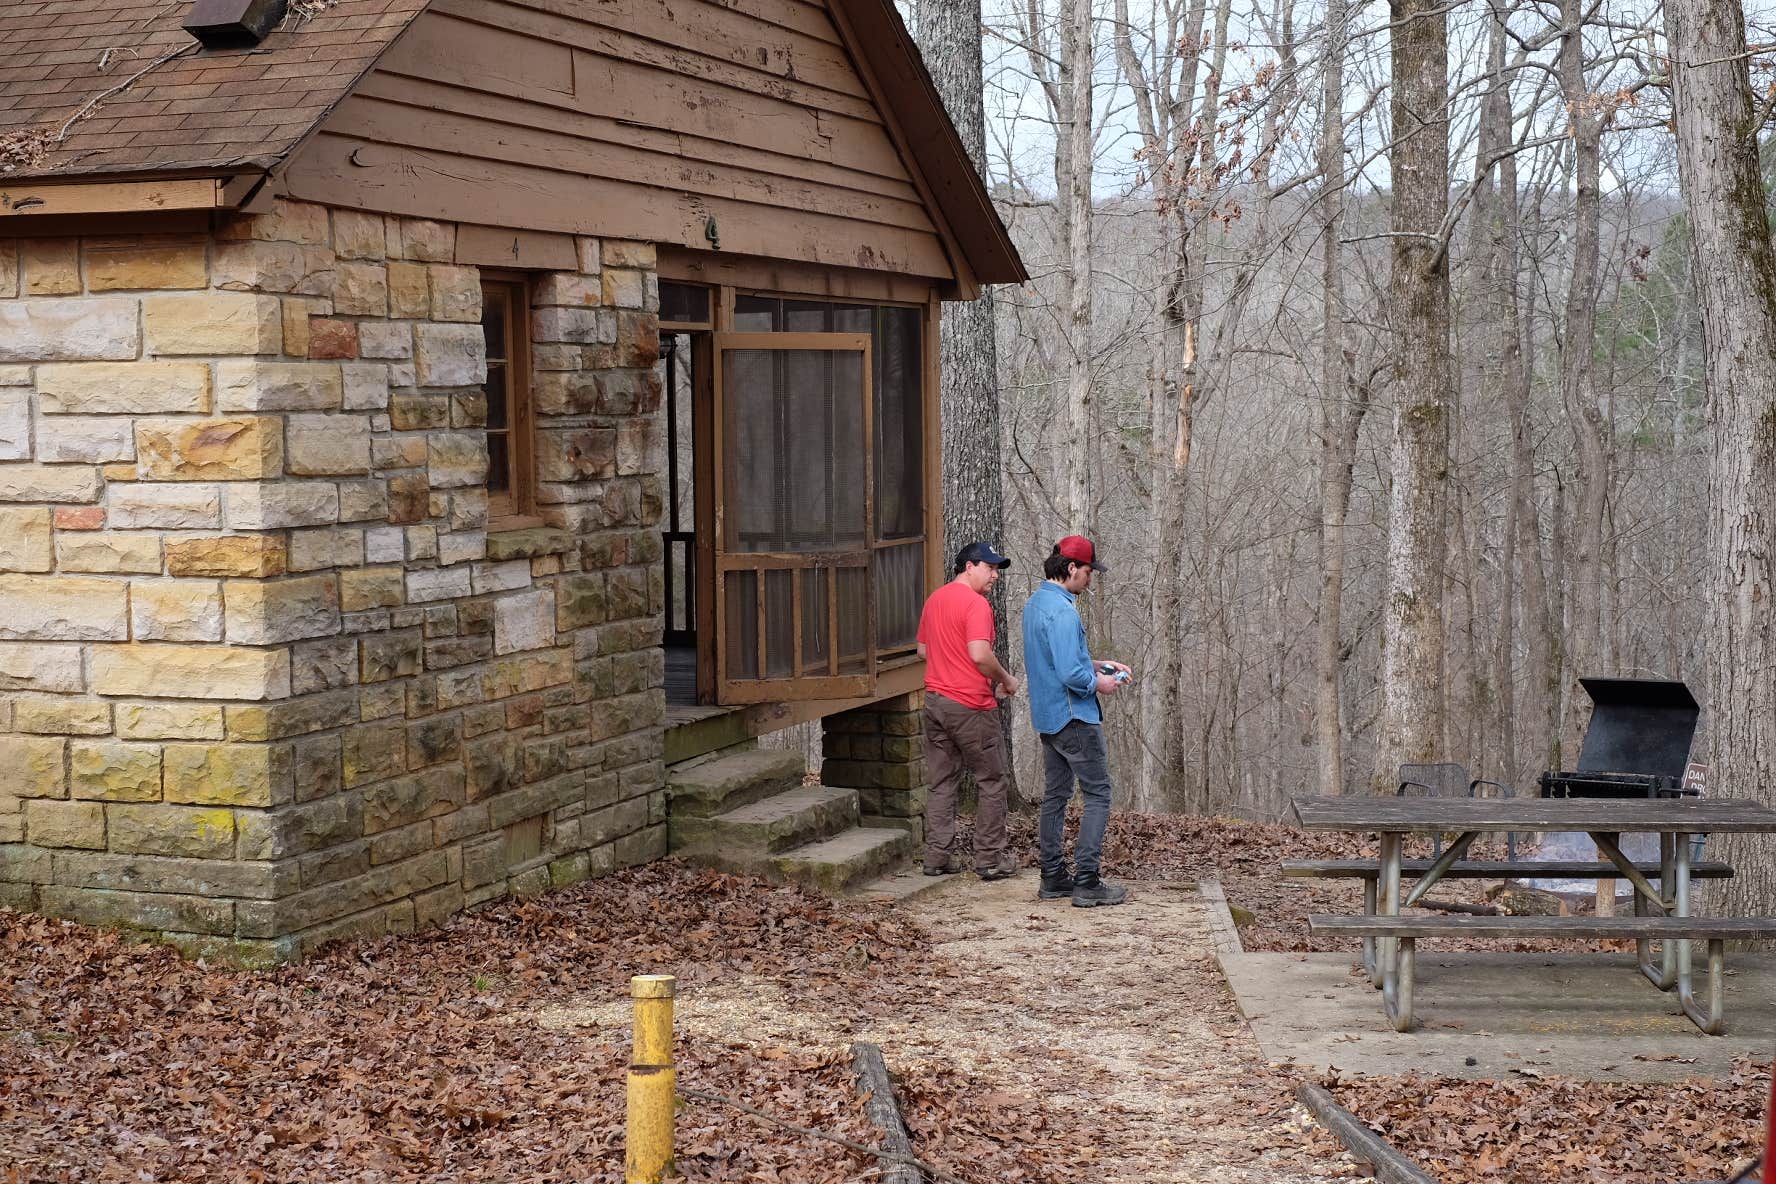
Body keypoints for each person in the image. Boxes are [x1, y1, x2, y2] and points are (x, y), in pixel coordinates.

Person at [1020, 535, 1132, 907]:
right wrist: (1099, 682)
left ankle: (1052, 876)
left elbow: (1058, 659)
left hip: (1048, 717)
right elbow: (1070, 672)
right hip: (1074, 717)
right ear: (1071, 568)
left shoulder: (1036, 604)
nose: (1090, 579)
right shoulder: (1065, 612)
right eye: (1087, 572)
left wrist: (1099, 664)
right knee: (1098, 793)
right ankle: (1087, 880)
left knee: (1056, 796)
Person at [915, 541, 1020, 880]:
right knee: (991, 779)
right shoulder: (976, 604)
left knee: (942, 781)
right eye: (990, 568)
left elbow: (922, 650)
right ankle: (989, 859)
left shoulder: (935, 599)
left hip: (935, 701)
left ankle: (937, 857)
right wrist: (1006, 679)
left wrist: (947, 665)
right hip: (971, 706)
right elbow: (979, 654)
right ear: (970, 566)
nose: (995, 576)